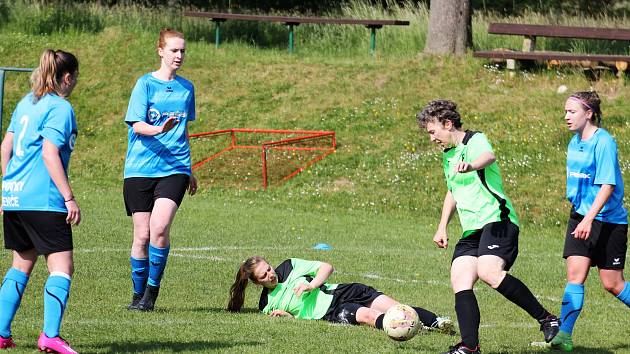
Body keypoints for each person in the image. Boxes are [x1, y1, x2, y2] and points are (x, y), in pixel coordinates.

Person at [416, 99, 559, 354]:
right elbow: (453, 191)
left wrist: (471, 165)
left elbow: (488, 156)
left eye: (432, 131)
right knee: (460, 278)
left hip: (497, 220)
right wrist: (442, 227)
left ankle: (546, 318)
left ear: (447, 124)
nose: (431, 139)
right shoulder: (448, 155)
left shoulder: (474, 140)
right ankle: (470, 346)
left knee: (489, 271)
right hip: (471, 229)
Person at [0, 49, 80, 353]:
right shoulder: (60, 108)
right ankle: (49, 336)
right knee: (62, 268)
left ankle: (1, 333)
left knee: (21, 265)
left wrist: (10, 187)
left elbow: (5, 147)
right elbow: (49, 153)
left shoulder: (26, 103)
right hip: (43, 199)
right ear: (68, 77)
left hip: (17, 198)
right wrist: (68, 197)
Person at [549, 91, 630, 352]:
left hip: (608, 220)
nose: (566, 117)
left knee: (612, 284)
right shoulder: (574, 142)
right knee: (575, 276)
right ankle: (564, 335)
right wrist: (579, 214)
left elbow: (608, 185)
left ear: (589, 113)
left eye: (571, 112)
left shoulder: (604, 142)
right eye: (565, 112)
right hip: (580, 217)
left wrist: (589, 218)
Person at [123, 28, 197, 311]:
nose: (179, 55)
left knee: (160, 227)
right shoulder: (144, 85)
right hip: (140, 168)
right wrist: (159, 129)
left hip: (174, 167)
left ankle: (151, 297)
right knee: (141, 235)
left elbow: (184, 130)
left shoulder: (186, 88)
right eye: (174, 50)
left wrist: (189, 168)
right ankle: (137, 295)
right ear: (161, 51)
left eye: (182, 51)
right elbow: (136, 125)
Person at [228, 256, 454, 334]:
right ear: (257, 283)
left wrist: (312, 285)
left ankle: (437, 322)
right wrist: (288, 317)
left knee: (395, 306)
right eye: (264, 276)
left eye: (268, 268)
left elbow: (326, 266)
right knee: (367, 315)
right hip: (331, 311)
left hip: (341, 291)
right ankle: (407, 328)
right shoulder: (266, 304)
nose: (271, 274)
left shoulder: (289, 266)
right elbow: (296, 316)